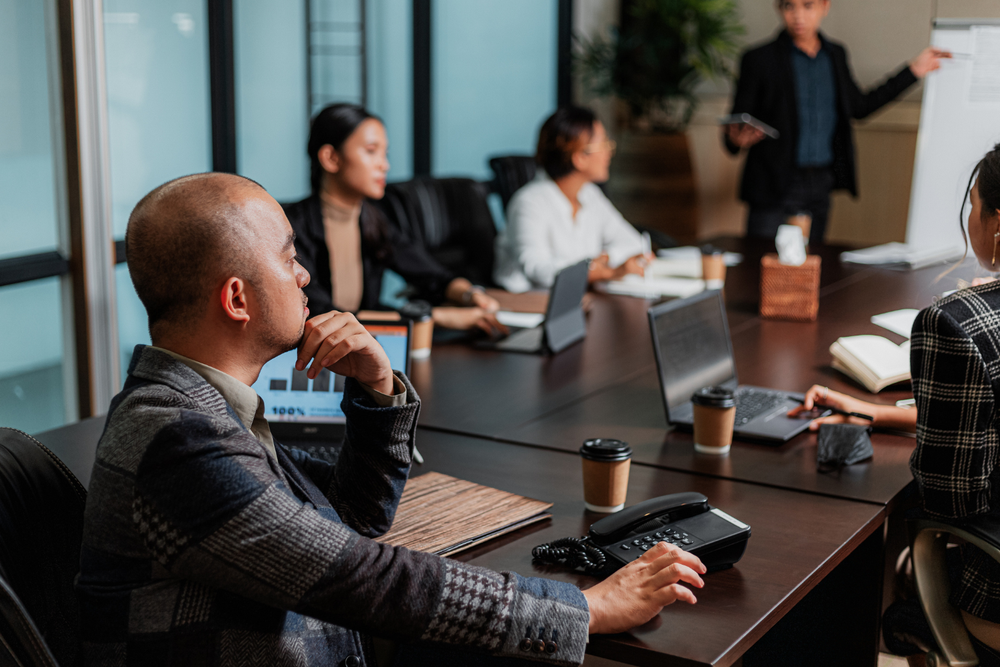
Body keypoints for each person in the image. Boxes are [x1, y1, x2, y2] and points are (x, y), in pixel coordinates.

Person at [76, 172, 708, 666]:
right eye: (288, 257)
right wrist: (584, 609)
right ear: (236, 298)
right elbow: (361, 576)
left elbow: (353, 516)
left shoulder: (201, 408)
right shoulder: (178, 441)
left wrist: (378, 389)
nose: (305, 274)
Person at [792, 145, 1000, 665]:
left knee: (904, 571)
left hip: (995, 601)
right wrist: (876, 413)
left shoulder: (956, 322)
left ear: (997, 222)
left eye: (974, 204)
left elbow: (951, 500)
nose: (970, 217)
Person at [724, 0, 949, 245]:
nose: (798, 15)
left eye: (807, 6)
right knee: (762, 258)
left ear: (824, 6)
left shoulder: (835, 54)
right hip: (773, 183)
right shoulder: (758, 59)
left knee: (812, 259)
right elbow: (737, 123)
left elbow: (860, 107)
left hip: (821, 181)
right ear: (779, 8)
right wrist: (735, 139)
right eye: (789, 6)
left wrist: (913, 71)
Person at [284, 103, 505, 335]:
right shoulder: (291, 228)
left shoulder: (373, 218)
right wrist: (436, 317)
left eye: (385, 154)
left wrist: (470, 295)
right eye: (371, 151)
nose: (385, 165)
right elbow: (320, 314)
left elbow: (429, 274)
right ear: (331, 158)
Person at [493, 106, 651, 293]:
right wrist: (602, 271)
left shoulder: (590, 194)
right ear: (580, 158)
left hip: (577, 297)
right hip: (527, 303)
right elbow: (538, 270)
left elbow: (635, 244)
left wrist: (605, 259)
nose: (609, 152)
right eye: (603, 144)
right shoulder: (529, 202)